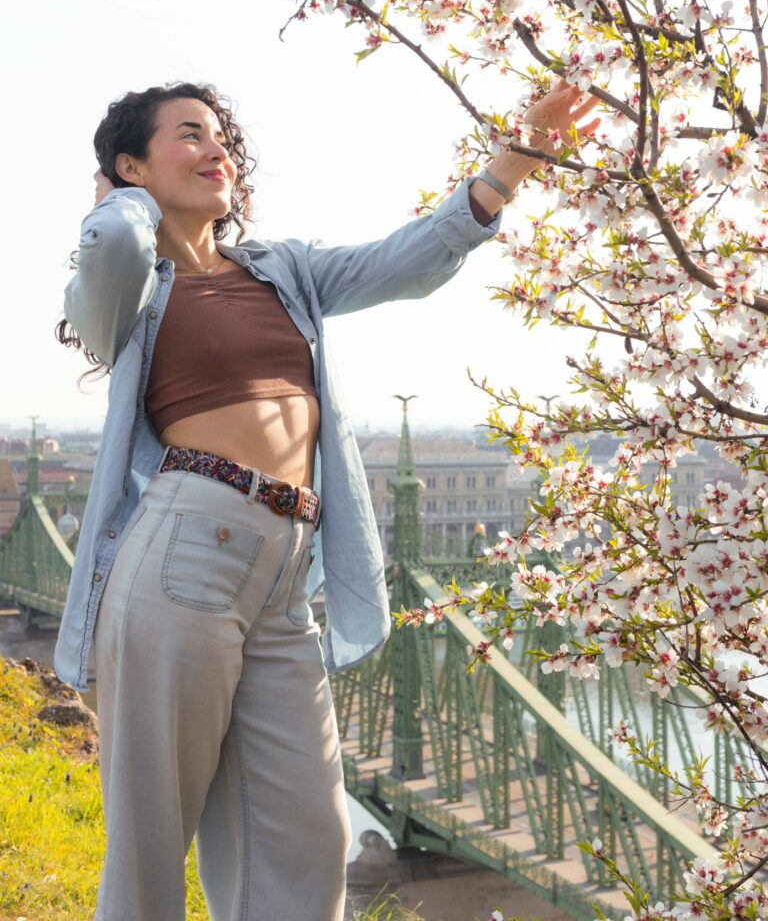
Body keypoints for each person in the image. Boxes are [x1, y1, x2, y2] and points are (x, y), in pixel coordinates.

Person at [54, 77, 600, 921]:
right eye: (188, 134)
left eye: (221, 136)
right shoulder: (129, 285)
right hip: (184, 550)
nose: (215, 149)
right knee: (151, 838)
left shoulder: (286, 271)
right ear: (130, 164)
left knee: (308, 838)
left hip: (287, 572)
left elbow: (403, 262)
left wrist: (516, 158)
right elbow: (110, 252)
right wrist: (121, 201)